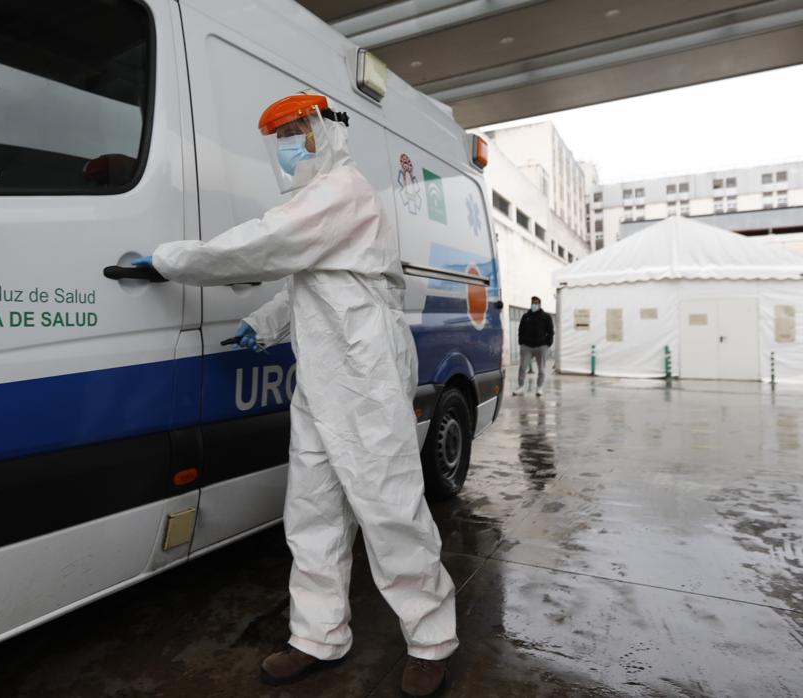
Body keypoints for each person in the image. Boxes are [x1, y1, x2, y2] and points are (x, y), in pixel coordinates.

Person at [134, 93, 457, 698]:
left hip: (364, 370)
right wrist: (265, 322)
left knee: (389, 507)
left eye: (293, 130)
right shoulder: (322, 204)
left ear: (323, 132)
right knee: (312, 511)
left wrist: (168, 260)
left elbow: (260, 245)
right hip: (323, 374)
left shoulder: (343, 190)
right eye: (277, 135)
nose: (286, 144)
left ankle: (431, 639)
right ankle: (318, 636)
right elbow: (314, 285)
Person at [512, 296, 554, 396]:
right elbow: (520, 330)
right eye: (532, 303)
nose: (533, 305)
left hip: (541, 347)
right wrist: (521, 342)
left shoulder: (546, 317)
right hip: (527, 347)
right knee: (523, 367)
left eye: (536, 303)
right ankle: (520, 387)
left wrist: (548, 343)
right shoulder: (526, 316)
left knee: (542, 369)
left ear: (539, 304)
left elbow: (551, 331)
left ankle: (539, 388)